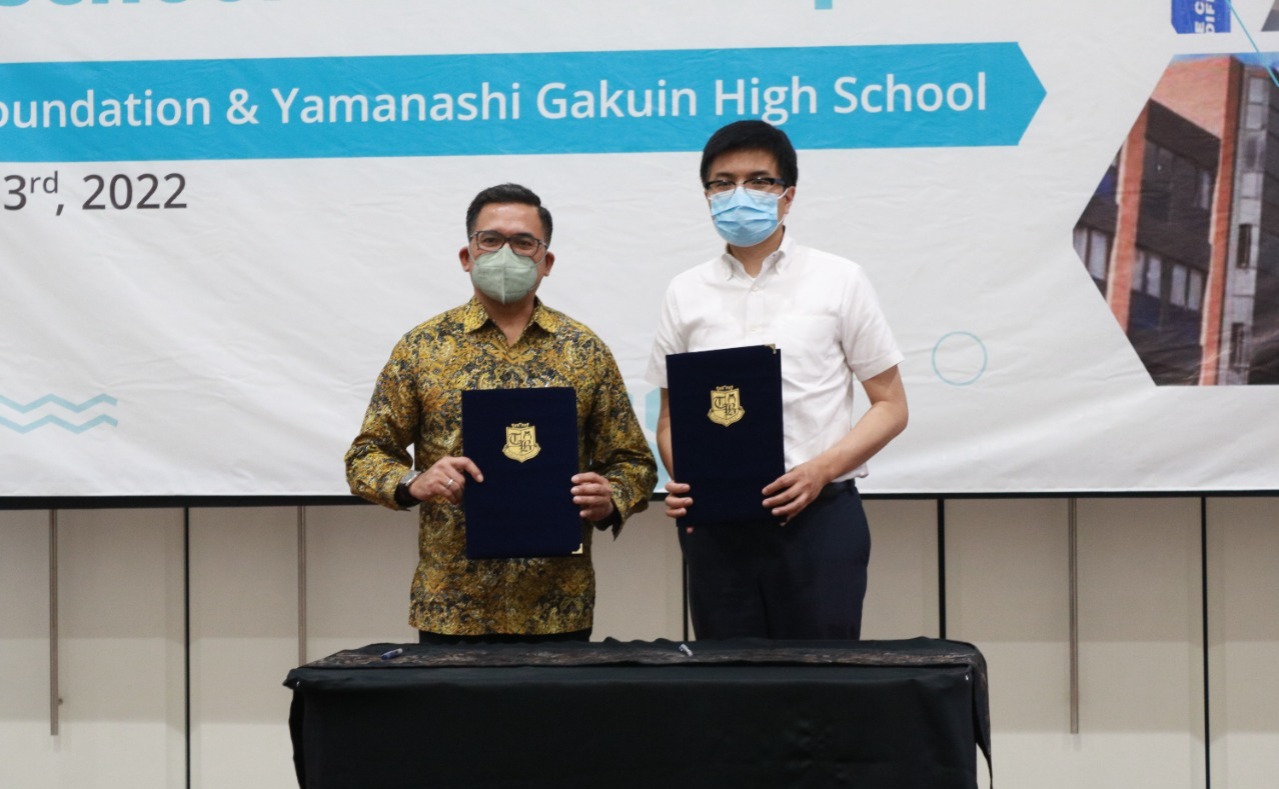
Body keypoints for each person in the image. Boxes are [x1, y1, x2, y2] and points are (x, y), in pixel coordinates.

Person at [345, 183, 656, 644]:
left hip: (558, 605)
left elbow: (634, 462)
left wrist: (612, 496)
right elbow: (365, 457)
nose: (505, 253)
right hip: (452, 604)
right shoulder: (422, 348)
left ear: (546, 262)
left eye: (523, 242)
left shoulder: (584, 350)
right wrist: (415, 482)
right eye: (490, 240)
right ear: (467, 255)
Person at [646, 120, 908, 640]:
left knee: (821, 679)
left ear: (788, 196)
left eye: (759, 181)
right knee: (729, 680)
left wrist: (818, 472)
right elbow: (671, 419)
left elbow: (891, 406)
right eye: (723, 183)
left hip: (820, 518)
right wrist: (693, 482)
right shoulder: (684, 291)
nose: (739, 194)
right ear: (707, 196)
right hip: (718, 526)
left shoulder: (839, 280)